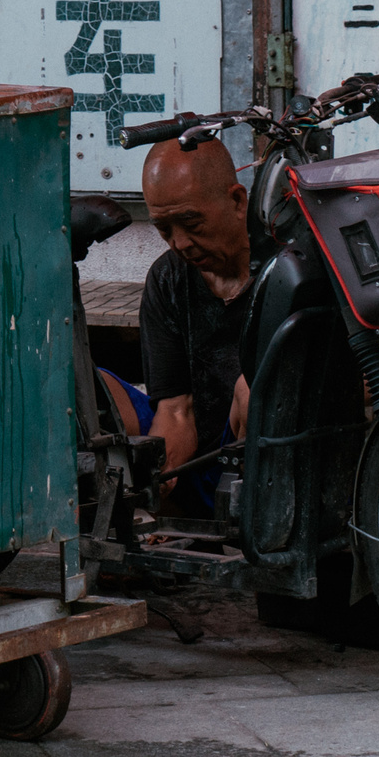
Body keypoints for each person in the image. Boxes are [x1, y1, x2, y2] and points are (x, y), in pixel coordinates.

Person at [96, 135, 254, 512]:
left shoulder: (291, 267)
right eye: (164, 229)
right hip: (199, 457)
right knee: (87, 384)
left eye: (190, 222)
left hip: (261, 459)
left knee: (255, 390)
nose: (179, 243)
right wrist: (155, 489)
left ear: (236, 201)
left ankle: (249, 519)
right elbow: (175, 410)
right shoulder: (167, 279)